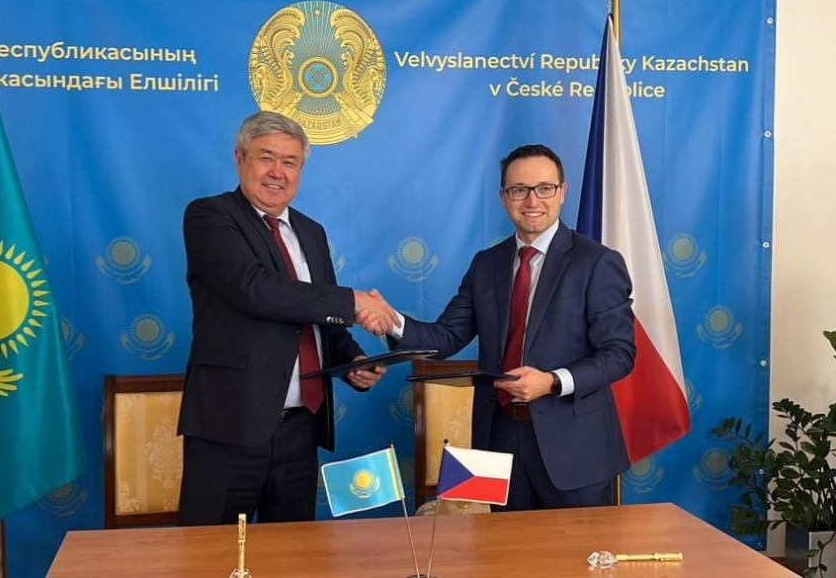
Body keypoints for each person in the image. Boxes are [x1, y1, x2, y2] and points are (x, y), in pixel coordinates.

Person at [374, 143, 635, 510]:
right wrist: (392, 322)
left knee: (578, 547)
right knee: (502, 546)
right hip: (498, 439)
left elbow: (619, 354)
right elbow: (446, 337)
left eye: (544, 188)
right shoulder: (486, 264)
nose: (532, 200)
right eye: (519, 190)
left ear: (562, 192)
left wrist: (552, 381)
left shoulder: (597, 262)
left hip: (574, 447)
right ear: (503, 197)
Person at [177, 110, 396, 526]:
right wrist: (353, 301)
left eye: (290, 162)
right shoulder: (210, 216)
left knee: (293, 552)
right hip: (229, 427)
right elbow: (255, 289)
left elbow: (320, 319)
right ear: (239, 158)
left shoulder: (312, 232)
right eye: (266, 157)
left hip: (301, 430)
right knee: (209, 552)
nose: (277, 172)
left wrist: (351, 360)